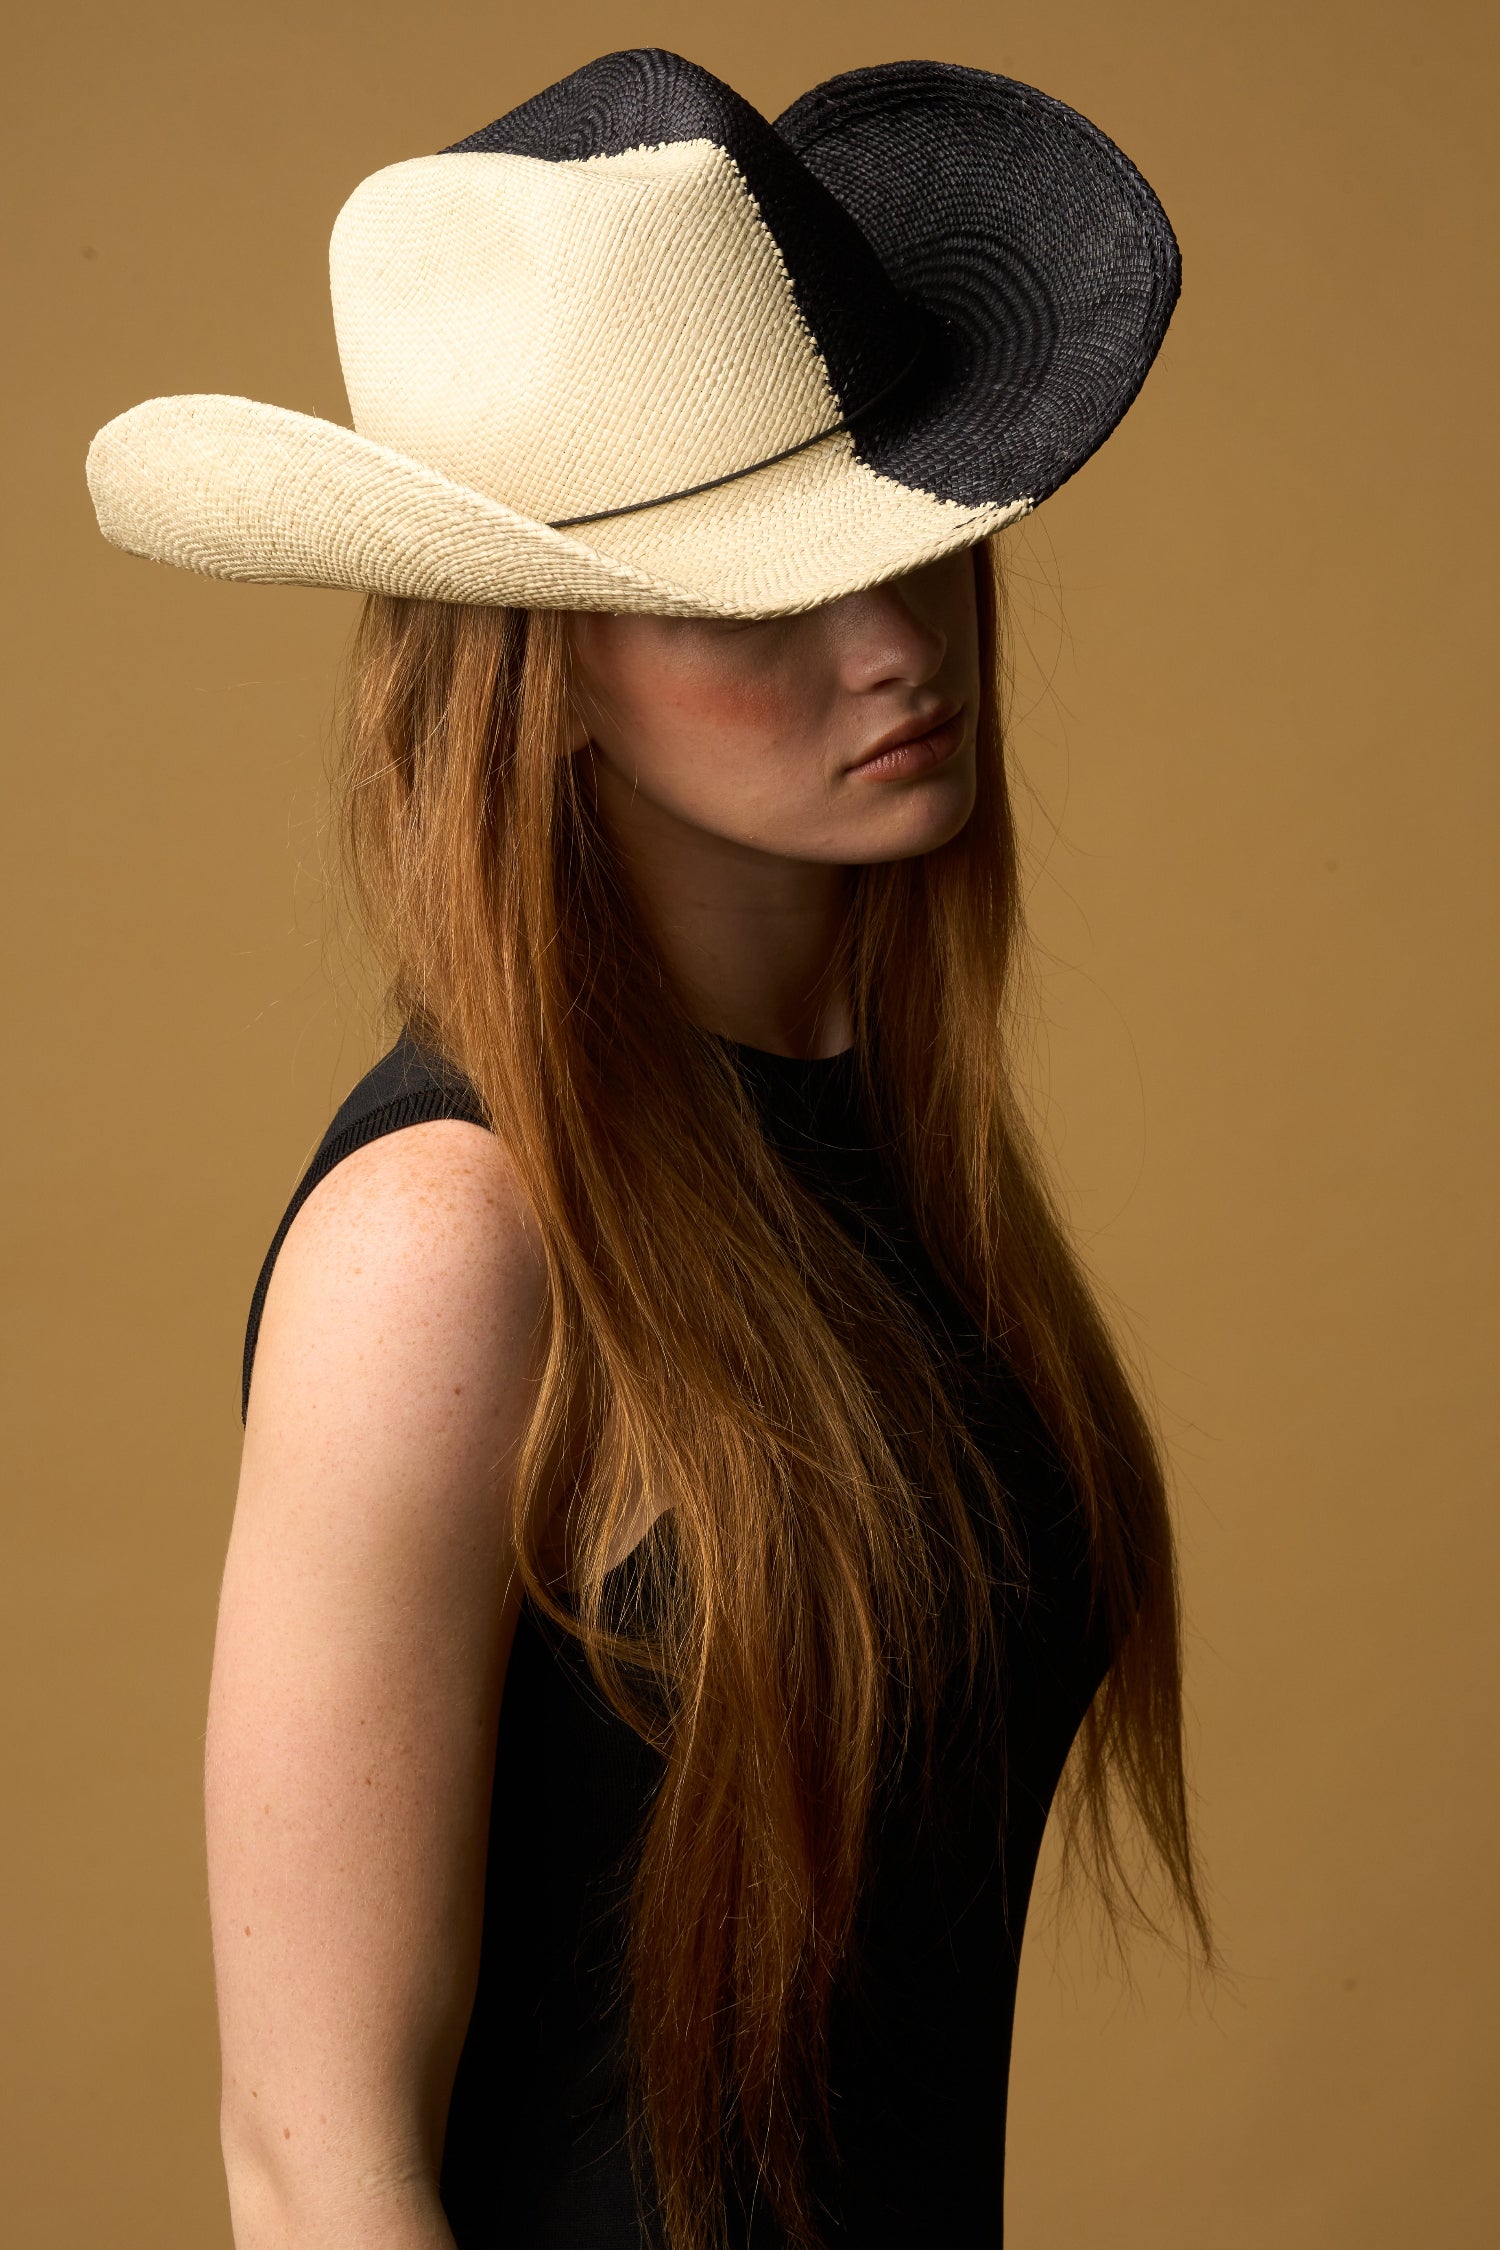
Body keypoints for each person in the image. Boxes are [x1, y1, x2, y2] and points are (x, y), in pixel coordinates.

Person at [86, 47, 1211, 2250]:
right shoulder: (448, 1238)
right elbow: (314, 2164)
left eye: (899, 534)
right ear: (544, 676)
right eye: (750, 595)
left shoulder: (884, 1165)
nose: (895, 647)